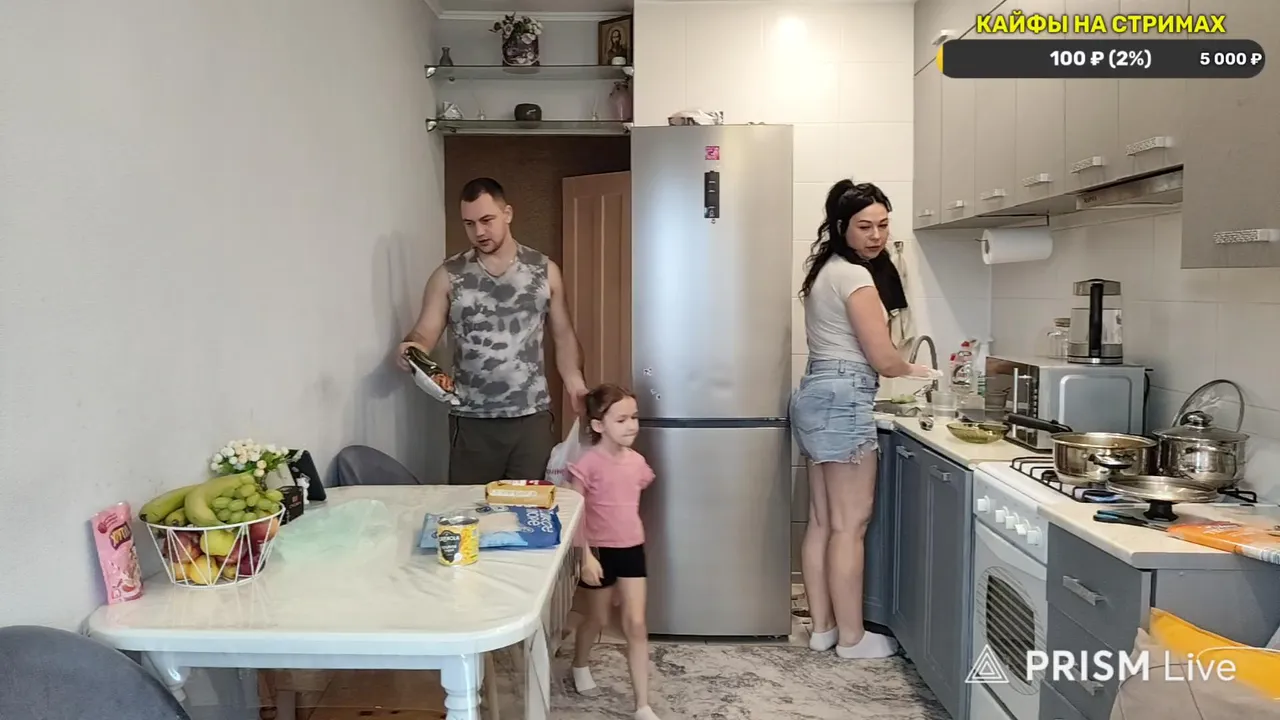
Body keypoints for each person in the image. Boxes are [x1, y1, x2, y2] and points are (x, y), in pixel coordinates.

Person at [791, 180, 938, 659]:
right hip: (843, 396)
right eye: (864, 227)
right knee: (849, 526)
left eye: (882, 225)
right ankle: (853, 640)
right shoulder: (855, 277)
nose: (876, 236)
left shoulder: (824, 271)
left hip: (816, 393)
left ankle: (823, 629)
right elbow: (883, 358)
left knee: (822, 521)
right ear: (842, 228)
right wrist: (920, 370)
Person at [395, 177, 589, 485]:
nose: (479, 232)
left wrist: (575, 383)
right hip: (472, 421)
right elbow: (423, 334)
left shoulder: (544, 271)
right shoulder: (448, 275)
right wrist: (411, 349)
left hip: (531, 419)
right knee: (472, 509)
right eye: (469, 224)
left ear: (507, 214)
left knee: (529, 510)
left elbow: (563, 335)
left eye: (487, 220)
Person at [567, 384, 662, 720]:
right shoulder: (587, 463)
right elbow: (575, 513)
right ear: (598, 425)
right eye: (621, 420)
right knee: (598, 618)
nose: (631, 425)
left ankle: (642, 704)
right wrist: (585, 556)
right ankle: (579, 664)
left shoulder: (638, 463)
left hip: (631, 549)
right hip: (598, 551)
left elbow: (630, 502)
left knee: (636, 623)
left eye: (634, 417)